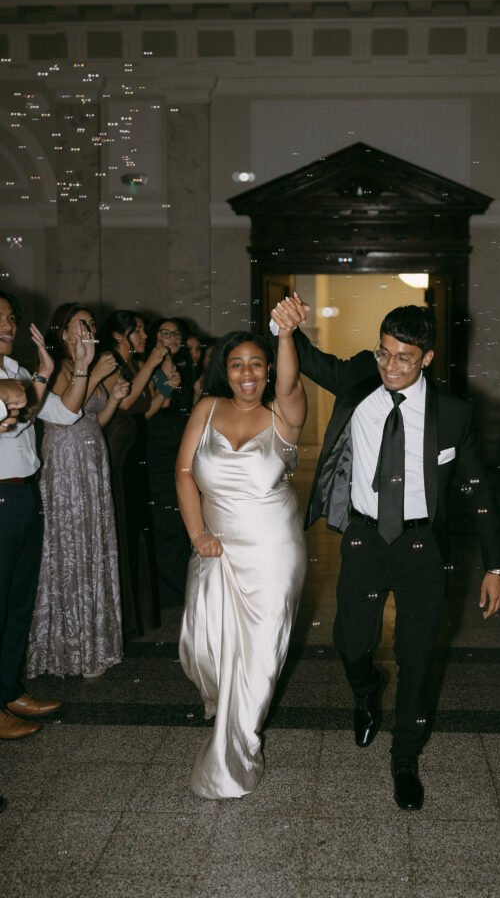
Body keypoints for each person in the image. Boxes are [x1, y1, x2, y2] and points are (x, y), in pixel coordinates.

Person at [275, 295, 500, 811]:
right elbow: (308, 362)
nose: (390, 366)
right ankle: (365, 688)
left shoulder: (453, 413)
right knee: (350, 643)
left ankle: (405, 758)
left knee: (418, 657)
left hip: (424, 547)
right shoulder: (361, 379)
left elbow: (477, 491)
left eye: (404, 357)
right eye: (384, 353)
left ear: (427, 356)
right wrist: (285, 328)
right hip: (362, 540)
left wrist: (496, 565)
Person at [176, 324, 307, 799]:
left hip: (273, 549)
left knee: (256, 654)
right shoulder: (207, 409)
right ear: (224, 372)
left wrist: (287, 335)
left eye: (256, 363)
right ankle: (223, 704)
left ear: (269, 369)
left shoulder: (283, 412)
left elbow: (291, 383)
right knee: (203, 645)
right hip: (214, 545)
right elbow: (186, 472)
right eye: (236, 364)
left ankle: (236, 752)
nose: (247, 373)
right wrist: (198, 534)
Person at [26, 303, 128, 679]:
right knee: (69, 544)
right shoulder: (60, 366)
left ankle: (92, 641)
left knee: (91, 541)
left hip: (91, 456)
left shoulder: (87, 364)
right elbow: (65, 414)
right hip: (66, 459)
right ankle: (68, 645)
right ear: (64, 332)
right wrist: (94, 370)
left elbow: (94, 418)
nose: (89, 328)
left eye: (91, 323)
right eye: (81, 323)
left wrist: (114, 397)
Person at [0, 291, 84, 739]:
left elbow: (65, 414)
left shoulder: (15, 369)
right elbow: (15, 411)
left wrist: (65, 370)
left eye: (11, 318)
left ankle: (9, 690)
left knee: (17, 603)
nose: (8, 325)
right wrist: (43, 376)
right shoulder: (13, 377)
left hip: (24, 494)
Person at [101, 310, 169, 638]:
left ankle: (138, 614)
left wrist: (163, 385)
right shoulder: (110, 361)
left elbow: (145, 406)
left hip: (134, 453)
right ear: (120, 335)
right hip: (119, 454)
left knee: (137, 526)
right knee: (125, 526)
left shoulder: (131, 364)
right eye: (138, 331)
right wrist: (153, 365)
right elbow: (126, 403)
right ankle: (125, 616)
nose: (145, 337)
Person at [145, 318, 194, 606]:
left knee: (179, 519)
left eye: (176, 333)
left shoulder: (184, 368)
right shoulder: (147, 367)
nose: (171, 338)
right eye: (164, 332)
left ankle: (180, 585)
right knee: (166, 521)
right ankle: (169, 593)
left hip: (180, 449)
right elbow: (158, 405)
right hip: (158, 449)